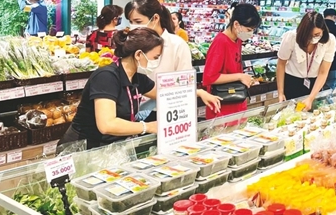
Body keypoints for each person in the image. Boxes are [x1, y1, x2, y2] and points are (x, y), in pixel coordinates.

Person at [59, 28, 221, 150]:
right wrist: (148, 127)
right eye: (155, 57)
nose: (156, 62)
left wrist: (198, 92)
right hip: (82, 149)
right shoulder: (106, 77)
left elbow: (165, 93)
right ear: (138, 55)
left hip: (110, 147)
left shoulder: (138, 79)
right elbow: (107, 124)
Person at [202, 4, 261, 119]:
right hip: (222, 109)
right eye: (249, 30)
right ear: (236, 24)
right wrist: (240, 76)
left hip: (237, 102)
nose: (250, 34)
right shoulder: (220, 42)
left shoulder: (237, 40)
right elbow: (209, 78)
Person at [277, 11, 336, 110]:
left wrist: (311, 98)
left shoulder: (330, 41)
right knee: (290, 114)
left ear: (323, 30)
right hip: (292, 82)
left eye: (317, 34)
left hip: (315, 84)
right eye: (309, 35)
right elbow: (281, 64)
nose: (312, 38)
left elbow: (323, 72)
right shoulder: (291, 37)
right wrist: (280, 93)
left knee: (313, 114)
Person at [125, 0, 193, 83]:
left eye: (138, 22)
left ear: (155, 18)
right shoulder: (131, 44)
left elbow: (185, 81)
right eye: (131, 22)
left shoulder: (178, 45)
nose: (133, 26)